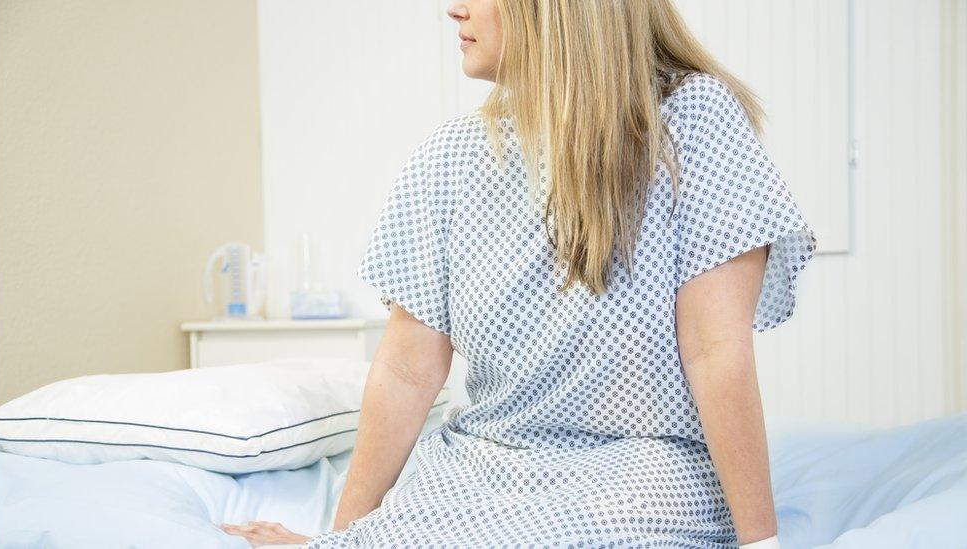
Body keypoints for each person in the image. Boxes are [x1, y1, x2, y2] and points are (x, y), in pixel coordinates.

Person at [221, 0, 816, 547]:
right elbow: (405, 369)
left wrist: (761, 544)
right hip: (480, 468)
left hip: (641, 470)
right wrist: (341, 538)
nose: (453, 9)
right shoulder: (449, 157)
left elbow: (716, 350)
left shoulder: (694, 120)